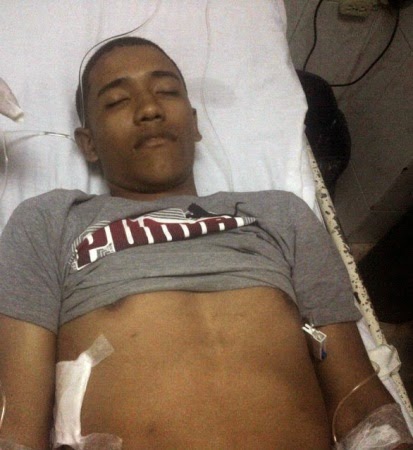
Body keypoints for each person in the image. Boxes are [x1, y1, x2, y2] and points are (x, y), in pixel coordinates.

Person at [0, 37, 411, 450]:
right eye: (117, 101)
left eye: (167, 91)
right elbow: (17, 426)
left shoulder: (281, 214)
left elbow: (355, 397)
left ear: (195, 124)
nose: (149, 109)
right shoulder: (52, 220)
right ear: (88, 143)